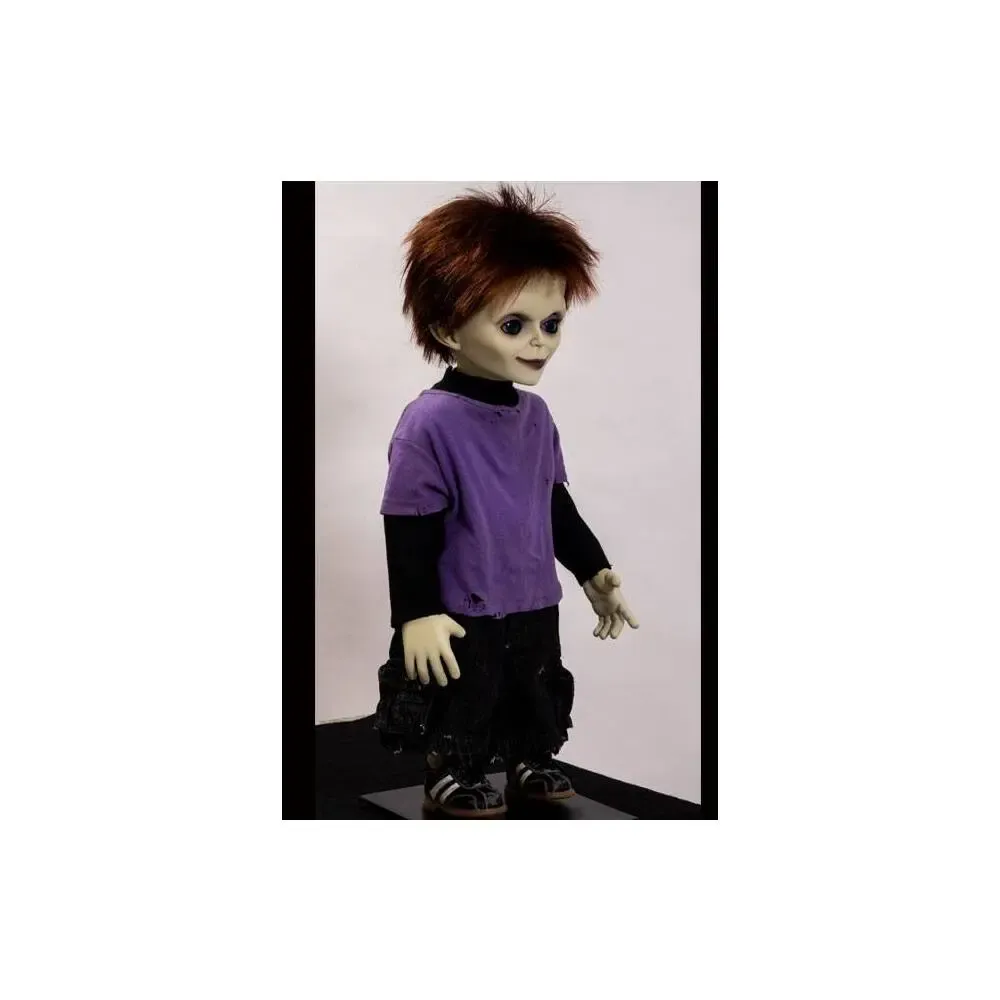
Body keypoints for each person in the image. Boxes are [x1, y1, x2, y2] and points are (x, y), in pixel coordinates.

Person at [375, 184, 639, 818]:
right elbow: (407, 523)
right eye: (513, 325)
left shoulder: (536, 417)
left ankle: (529, 756)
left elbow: (554, 503)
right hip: (465, 603)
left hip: (531, 595)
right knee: (468, 689)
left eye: (552, 323)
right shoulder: (430, 422)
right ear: (446, 327)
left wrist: (592, 571)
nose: (539, 341)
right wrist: (416, 612)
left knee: (534, 685)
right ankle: (453, 767)